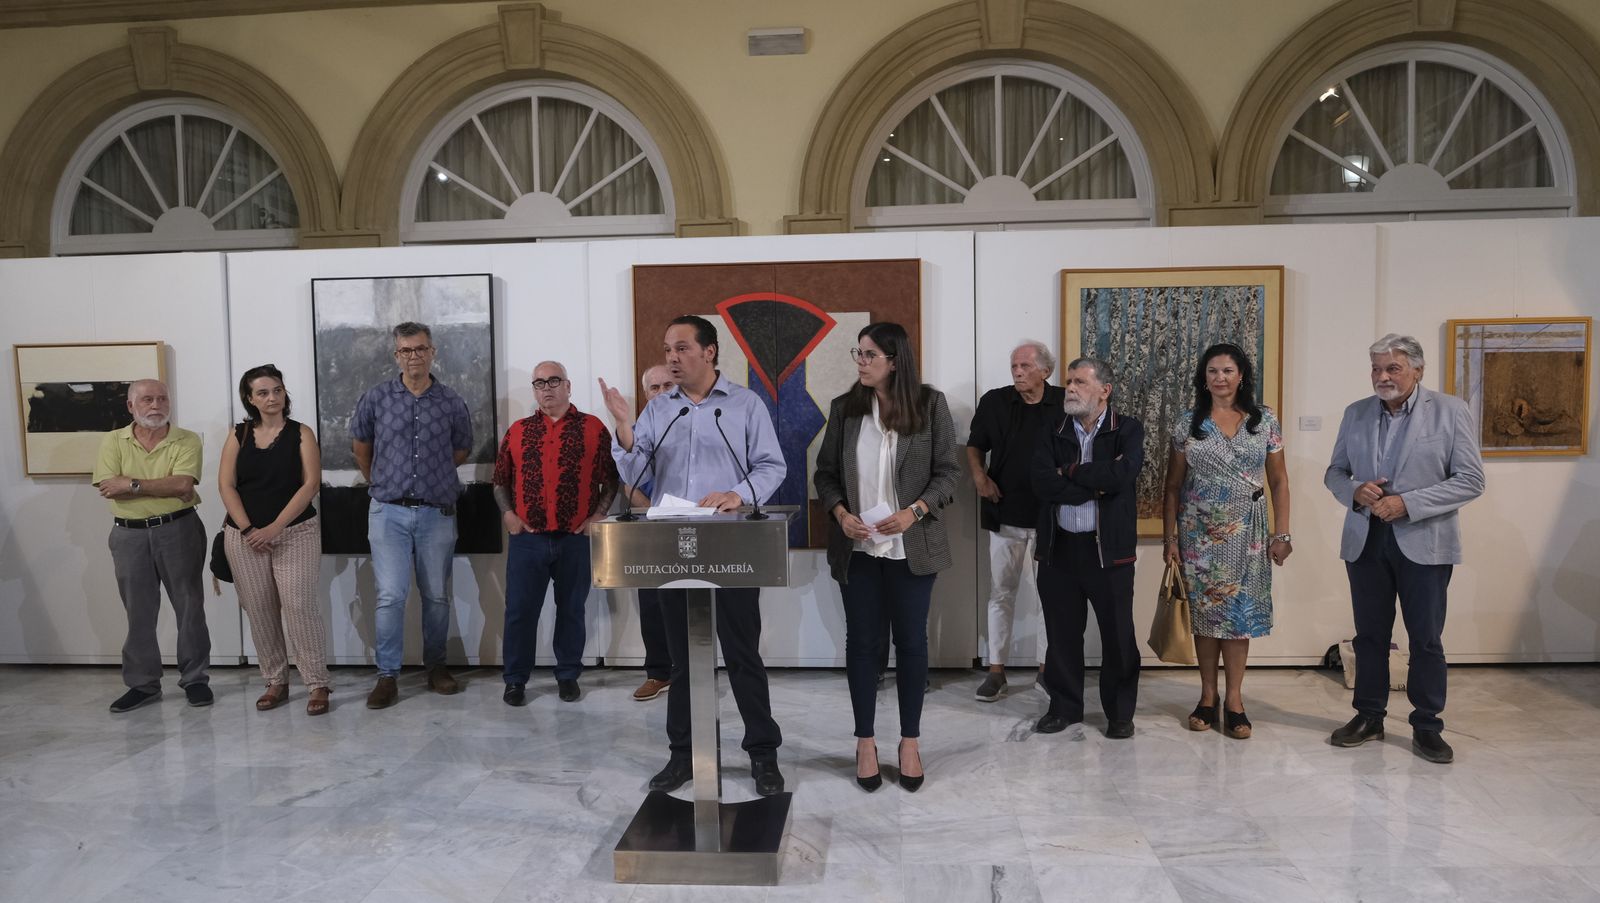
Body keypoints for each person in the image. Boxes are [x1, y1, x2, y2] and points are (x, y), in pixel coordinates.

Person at [599, 315, 788, 797]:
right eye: (667, 349)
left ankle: (762, 754)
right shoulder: (662, 409)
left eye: (681, 348)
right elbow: (637, 468)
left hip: (732, 549)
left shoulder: (744, 405)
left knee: (743, 654)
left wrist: (737, 493)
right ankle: (683, 754)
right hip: (672, 549)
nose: (671, 357)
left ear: (710, 352)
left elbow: (772, 465)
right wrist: (624, 426)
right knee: (682, 660)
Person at [1324, 334, 1485, 764]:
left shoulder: (1451, 411)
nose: (1383, 377)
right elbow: (1335, 472)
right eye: (1376, 368)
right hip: (1366, 540)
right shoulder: (1355, 413)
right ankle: (1369, 716)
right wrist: (1355, 491)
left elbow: (1470, 479)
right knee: (1370, 636)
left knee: (1426, 639)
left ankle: (1428, 724)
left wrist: (1408, 504)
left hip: (1425, 543)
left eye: (1392, 368)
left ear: (1418, 369)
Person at [815, 322, 958, 792]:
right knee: (863, 646)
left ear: (894, 360)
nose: (860, 360)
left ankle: (910, 742)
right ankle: (865, 742)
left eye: (869, 354)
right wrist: (839, 513)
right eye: (859, 352)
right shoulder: (845, 409)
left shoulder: (930, 405)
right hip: (858, 549)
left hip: (910, 547)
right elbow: (826, 474)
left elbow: (947, 475)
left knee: (912, 645)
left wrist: (914, 512)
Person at [1161, 344, 1291, 740]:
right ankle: (1207, 697)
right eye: (1213, 371)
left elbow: (1280, 481)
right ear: (1204, 377)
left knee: (1239, 617)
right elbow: (1172, 487)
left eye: (1228, 370)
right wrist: (1171, 539)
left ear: (1241, 375)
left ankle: (1234, 700)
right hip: (1199, 535)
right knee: (1203, 617)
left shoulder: (1263, 420)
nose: (1220, 377)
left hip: (1250, 533)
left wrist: (1282, 533)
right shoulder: (1188, 424)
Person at [352, 322, 473, 709]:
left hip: (437, 514)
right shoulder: (375, 399)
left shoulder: (451, 402)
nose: (413, 356)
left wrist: (431, 477)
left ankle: (435, 666)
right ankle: (387, 676)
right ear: (396, 355)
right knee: (390, 596)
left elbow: (462, 449)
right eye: (405, 350)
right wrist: (383, 481)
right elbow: (360, 446)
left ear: (433, 351)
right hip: (388, 513)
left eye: (420, 349)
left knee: (437, 596)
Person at [1031, 358, 1144, 738]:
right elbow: (1042, 482)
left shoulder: (1127, 429)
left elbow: (1123, 474)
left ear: (1104, 390)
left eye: (1080, 382)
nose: (1071, 388)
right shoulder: (1052, 429)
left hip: (1109, 553)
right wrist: (1096, 485)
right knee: (1061, 635)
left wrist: (1073, 471)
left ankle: (1119, 713)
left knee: (1118, 637)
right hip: (1060, 549)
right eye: (1069, 381)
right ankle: (1064, 708)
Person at [494, 361, 619, 706]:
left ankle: (568, 675)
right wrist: (508, 514)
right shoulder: (518, 431)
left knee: (571, 609)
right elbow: (500, 479)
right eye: (539, 383)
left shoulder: (593, 429)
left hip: (574, 539)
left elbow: (611, 478)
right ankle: (515, 680)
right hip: (527, 540)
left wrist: (598, 515)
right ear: (534, 390)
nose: (546, 388)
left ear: (568, 385)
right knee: (519, 611)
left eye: (553, 381)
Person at [93, 379, 212, 712]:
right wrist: (162, 487)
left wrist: (130, 483)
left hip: (178, 529)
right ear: (131, 406)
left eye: (162, 398)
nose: (155, 405)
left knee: (189, 606)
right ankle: (143, 685)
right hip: (128, 535)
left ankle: (196, 679)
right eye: (147, 399)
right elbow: (107, 487)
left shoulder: (186, 439)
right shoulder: (112, 441)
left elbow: (183, 484)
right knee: (139, 612)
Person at [218, 365, 330, 715]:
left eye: (277, 390)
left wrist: (274, 528)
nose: (272, 398)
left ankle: (317, 683)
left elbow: (309, 485)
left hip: (295, 533)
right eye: (263, 392)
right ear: (250, 399)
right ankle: (276, 680)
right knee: (260, 610)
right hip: (244, 536)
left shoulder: (301, 433)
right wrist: (250, 530)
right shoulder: (238, 434)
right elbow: (226, 484)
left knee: (299, 607)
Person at [967, 340, 1063, 702]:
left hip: (1050, 516)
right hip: (1003, 511)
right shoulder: (995, 401)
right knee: (1000, 592)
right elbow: (975, 444)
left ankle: (1045, 669)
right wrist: (979, 477)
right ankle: (996, 670)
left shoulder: (1063, 404)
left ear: (1045, 371)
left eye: (1025, 366)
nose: (1018, 372)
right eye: (1014, 367)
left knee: (1049, 596)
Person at [629, 363, 675, 702]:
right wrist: (653, 508)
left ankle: (699, 670)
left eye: (666, 386)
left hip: (693, 524)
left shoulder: (695, 423)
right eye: (653, 388)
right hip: (652, 525)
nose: (660, 393)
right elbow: (628, 480)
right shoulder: (637, 429)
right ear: (646, 394)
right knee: (653, 603)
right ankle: (658, 673)